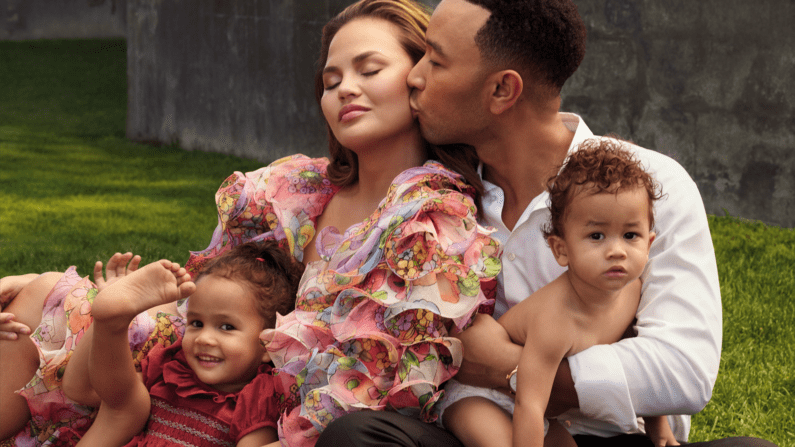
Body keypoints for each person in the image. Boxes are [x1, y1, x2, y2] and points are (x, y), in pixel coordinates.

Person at [0, 0, 500, 445]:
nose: (346, 88)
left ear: (420, 80)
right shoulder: (292, 190)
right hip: (202, 360)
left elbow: (378, 391)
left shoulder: (432, 222)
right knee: (41, 298)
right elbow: (200, 296)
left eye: (369, 70)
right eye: (331, 81)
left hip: (285, 414)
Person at [316, 0, 777, 446]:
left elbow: (684, 369)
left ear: (502, 90)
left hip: (620, 438)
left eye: (435, 62)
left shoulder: (652, 185)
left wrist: (515, 371)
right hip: (491, 433)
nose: (413, 77)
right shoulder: (439, 200)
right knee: (354, 438)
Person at [440, 139, 678, 447]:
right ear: (561, 249)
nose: (616, 251)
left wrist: (660, 430)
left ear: (649, 242)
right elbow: (530, 404)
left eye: (630, 235)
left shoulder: (634, 292)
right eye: (597, 236)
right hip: (479, 393)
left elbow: (638, 356)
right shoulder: (556, 319)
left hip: (542, 409)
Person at [69, 241, 302, 446]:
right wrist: (105, 317)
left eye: (227, 327)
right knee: (126, 402)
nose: (204, 338)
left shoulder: (256, 398)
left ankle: (112, 321)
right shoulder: (173, 370)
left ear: (267, 343)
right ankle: (111, 323)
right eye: (197, 323)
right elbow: (92, 391)